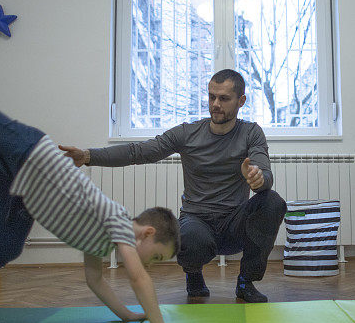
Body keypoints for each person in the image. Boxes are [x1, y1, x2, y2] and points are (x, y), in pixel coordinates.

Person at [0, 0, 199, 323]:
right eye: (157, 256)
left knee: (7, 245)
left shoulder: (100, 239)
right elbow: (136, 275)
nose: (152, 264)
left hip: (25, 191)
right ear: (147, 233)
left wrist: (128, 315)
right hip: (29, 153)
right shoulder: (117, 223)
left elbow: (95, 280)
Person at [60, 70, 287, 303]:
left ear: (241, 101)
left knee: (272, 202)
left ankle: (245, 282)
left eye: (224, 99)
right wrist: (88, 156)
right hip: (197, 222)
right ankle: (193, 273)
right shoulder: (188, 133)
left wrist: (258, 178)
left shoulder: (251, 132)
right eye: (211, 97)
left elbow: (263, 173)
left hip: (234, 225)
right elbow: (138, 152)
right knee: (189, 237)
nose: (215, 104)